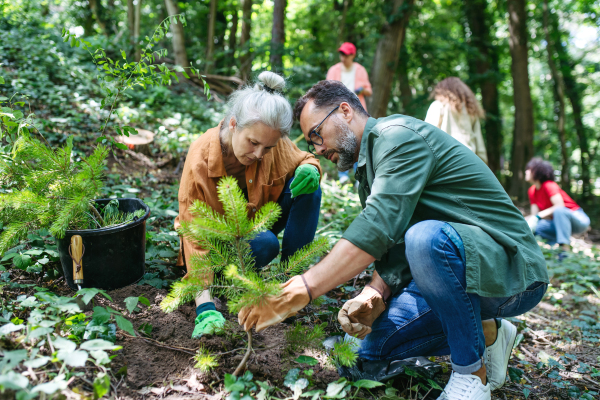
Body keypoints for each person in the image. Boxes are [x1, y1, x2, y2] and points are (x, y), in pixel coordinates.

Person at [237, 80, 548, 400]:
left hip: (511, 271)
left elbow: (380, 224)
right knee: (367, 351)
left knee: (425, 237)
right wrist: (375, 293)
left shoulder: (398, 136)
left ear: (344, 111)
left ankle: (472, 374)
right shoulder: (368, 169)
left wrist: (303, 288)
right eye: (310, 142)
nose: (316, 148)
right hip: (455, 273)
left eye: (317, 134)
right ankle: (488, 330)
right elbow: (396, 247)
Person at [175, 72, 323, 339]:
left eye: (267, 148)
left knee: (311, 191)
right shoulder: (200, 160)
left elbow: (303, 158)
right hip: (217, 245)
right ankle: (225, 279)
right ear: (233, 124)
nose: (258, 154)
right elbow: (192, 235)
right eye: (253, 143)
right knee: (265, 243)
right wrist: (204, 305)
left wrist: (311, 168)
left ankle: (290, 284)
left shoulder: (269, 140)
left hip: (256, 222)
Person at [326, 42, 372, 184]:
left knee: (358, 141)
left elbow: (369, 91)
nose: (343, 57)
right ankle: (343, 175)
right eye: (341, 54)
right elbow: (326, 90)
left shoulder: (360, 70)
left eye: (346, 55)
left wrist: (360, 90)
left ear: (353, 55)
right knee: (341, 141)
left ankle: (360, 175)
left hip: (357, 112)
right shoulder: (334, 70)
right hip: (338, 112)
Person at [525, 158, 590, 252]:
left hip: (578, 219)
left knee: (559, 210)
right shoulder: (532, 191)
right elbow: (535, 216)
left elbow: (559, 206)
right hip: (558, 222)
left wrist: (537, 216)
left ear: (536, 171)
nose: (526, 172)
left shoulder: (549, 185)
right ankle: (554, 249)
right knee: (535, 227)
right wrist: (529, 221)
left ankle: (565, 250)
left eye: (529, 169)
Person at [424, 77, 488, 164]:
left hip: (446, 163)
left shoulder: (438, 106)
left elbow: (427, 138)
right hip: (470, 162)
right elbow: (480, 148)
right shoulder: (471, 110)